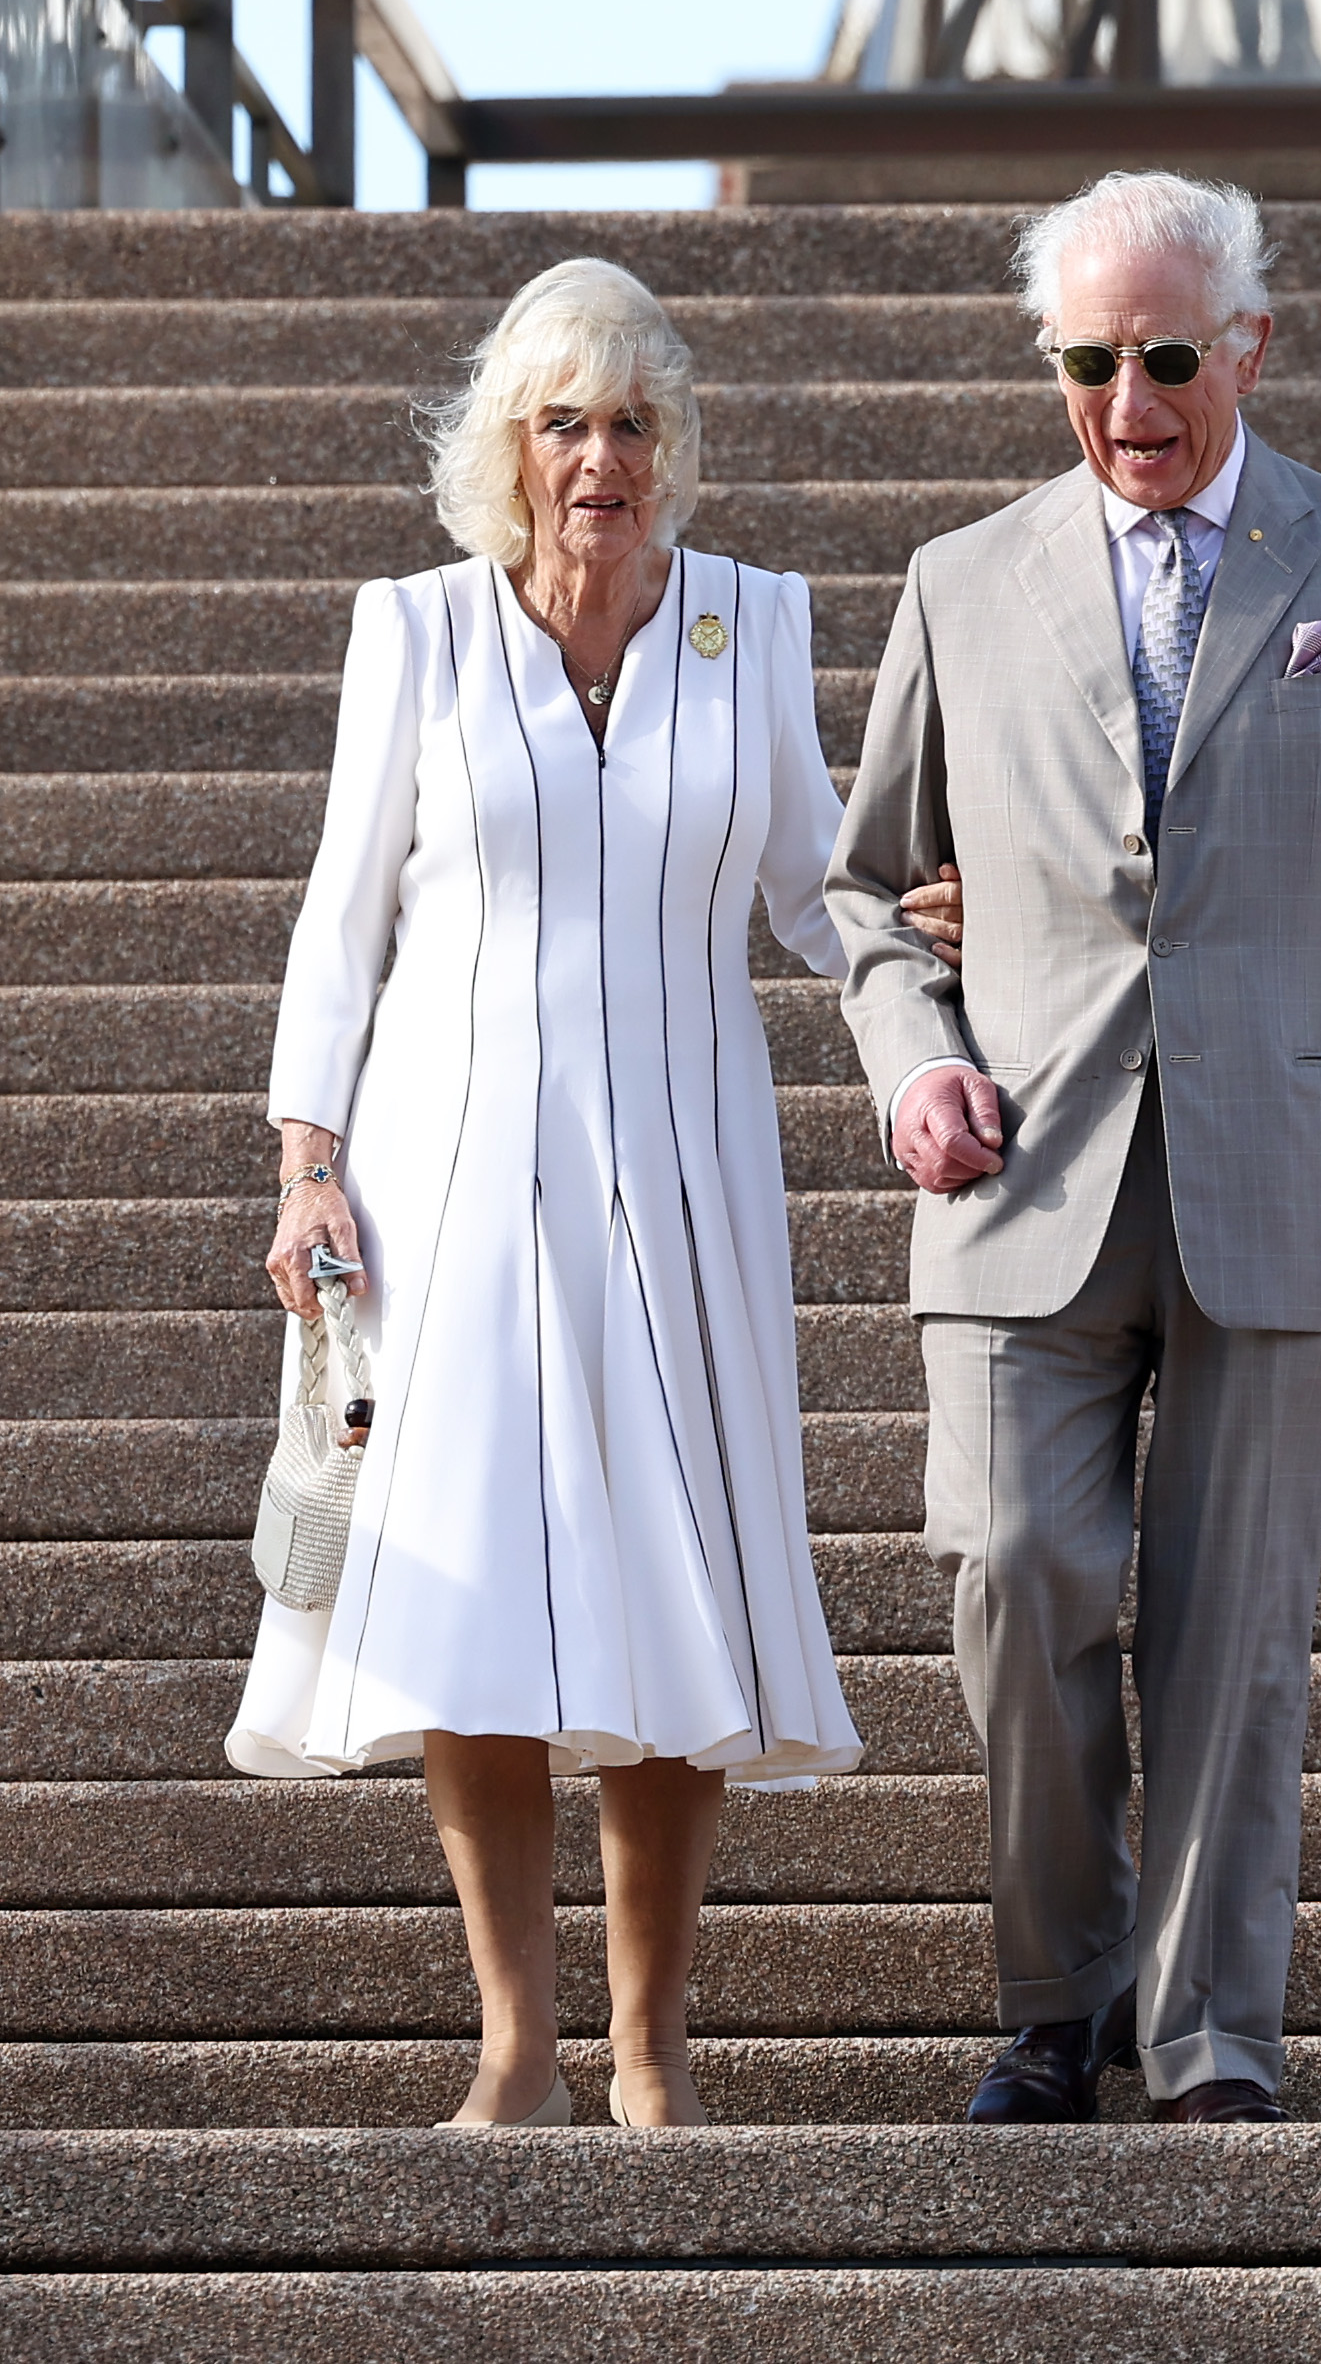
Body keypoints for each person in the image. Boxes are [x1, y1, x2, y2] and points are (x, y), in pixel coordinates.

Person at [829, 170, 1321, 2126]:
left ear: (1247, 343)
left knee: (1234, 1630)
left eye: (1165, 356)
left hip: (1281, 1169)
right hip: (1015, 1188)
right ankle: (1055, 1997)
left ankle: (1212, 2022)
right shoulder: (958, 580)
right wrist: (913, 1056)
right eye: (1088, 362)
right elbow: (867, 891)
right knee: (1009, 1565)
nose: (1128, 401)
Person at [234, 258, 955, 2130]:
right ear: (509, 446)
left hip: (688, 1172)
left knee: (670, 1588)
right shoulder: (415, 630)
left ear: (674, 446)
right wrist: (306, 1161)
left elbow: (818, 887)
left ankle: (652, 2049)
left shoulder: (755, 625)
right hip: (448, 1173)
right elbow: (344, 914)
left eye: (634, 422)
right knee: (473, 1598)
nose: (601, 458)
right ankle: (514, 2044)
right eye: (565, 422)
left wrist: (959, 910)